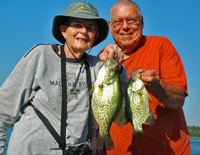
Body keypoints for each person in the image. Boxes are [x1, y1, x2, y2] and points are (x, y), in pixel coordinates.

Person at [0, 1, 129, 155]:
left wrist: (117, 64)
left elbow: (124, 92)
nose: (83, 31)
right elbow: (4, 108)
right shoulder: (40, 56)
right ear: (63, 31)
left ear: (96, 36)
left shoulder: (97, 67)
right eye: (77, 25)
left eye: (90, 28)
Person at [99, 0, 190, 154]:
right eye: (118, 22)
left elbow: (178, 100)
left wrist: (158, 86)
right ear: (110, 26)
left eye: (132, 20)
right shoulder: (104, 59)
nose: (125, 27)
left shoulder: (161, 45)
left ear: (141, 22)